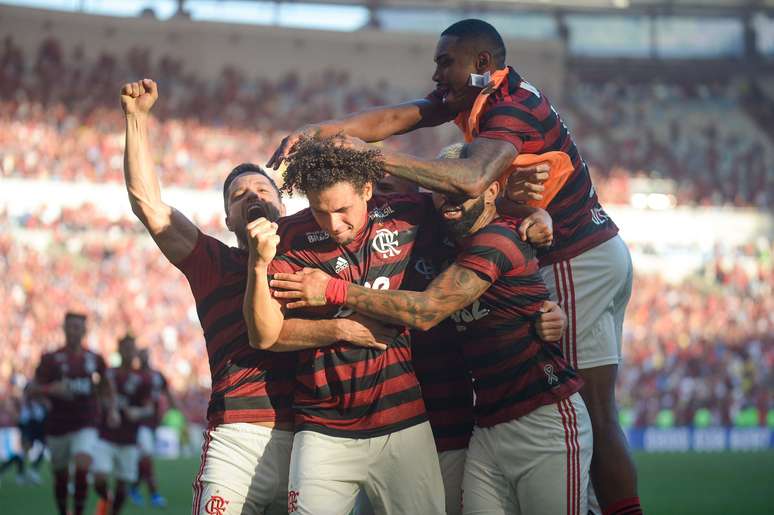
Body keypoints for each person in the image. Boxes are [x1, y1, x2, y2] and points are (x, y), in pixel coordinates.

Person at [269, 18, 638, 515]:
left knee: (585, 403)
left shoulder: (511, 108)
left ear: (482, 64)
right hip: (576, 253)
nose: (438, 72)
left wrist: (374, 162)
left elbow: (467, 178)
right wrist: (323, 133)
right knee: (593, 403)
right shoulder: (476, 99)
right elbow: (402, 117)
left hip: (576, 254)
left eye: (447, 62)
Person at [121, 79, 392, 515]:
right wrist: (136, 120)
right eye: (239, 196)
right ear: (228, 219)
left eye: (264, 191)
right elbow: (149, 205)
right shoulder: (212, 263)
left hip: (313, 437)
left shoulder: (314, 255)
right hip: (237, 435)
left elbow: (370, 200)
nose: (253, 196)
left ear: (284, 209)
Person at [271, 170, 590, 514]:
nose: (383, 192)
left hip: (457, 424)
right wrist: (341, 328)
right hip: (452, 424)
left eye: (390, 184)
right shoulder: (436, 234)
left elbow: (429, 308)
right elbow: (268, 333)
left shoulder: (456, 230)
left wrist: (534, 217)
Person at [28, 312, 114, 515]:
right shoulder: (50, 359)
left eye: (78, 327)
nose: (74, 331)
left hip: (86, 422)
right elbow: (31, 390)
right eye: (70, 326)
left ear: (84, 330)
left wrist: (110, 409)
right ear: (64, 329)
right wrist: (50, 390)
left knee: (83, 465)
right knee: (60, 476)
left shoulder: (95, 359)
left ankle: (78, 512)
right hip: (57, 424)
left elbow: (106, 387)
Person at [93, 335, 153, 515]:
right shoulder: (108, 374)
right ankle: (106, 497)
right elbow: (97, 397)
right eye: (125, 348)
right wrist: (108, 408)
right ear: (119, 351)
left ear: (135, 352)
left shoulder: (143, 378)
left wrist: (138, 412)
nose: (128, 352)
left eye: (131, 348)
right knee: (99, 477)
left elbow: (149, 408)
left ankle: (112, 512)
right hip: (106, 434)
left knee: (123, 484)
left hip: (129, 438)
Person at [129, 348, 176, 508]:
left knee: (144, 458)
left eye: (145, 354)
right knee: (147, 455)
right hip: (138, 423)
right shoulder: (133, 375)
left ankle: (133, 488)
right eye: (140, 355)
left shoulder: (157, 375)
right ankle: (154, 494)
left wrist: (175, 408)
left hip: (153, 422)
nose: (143, 358)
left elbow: (167, 392)